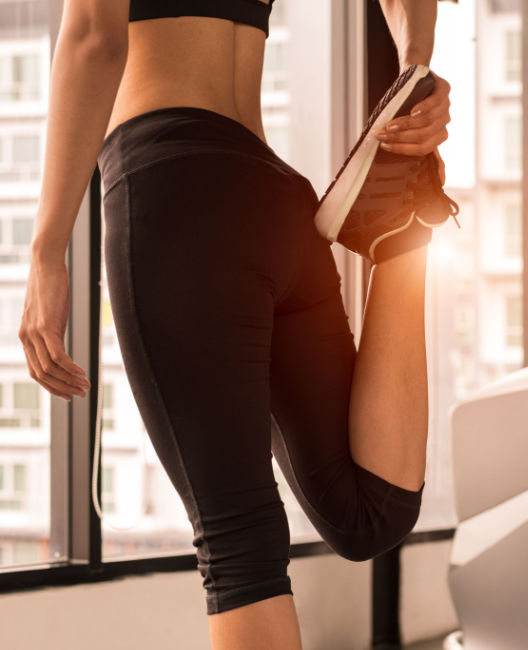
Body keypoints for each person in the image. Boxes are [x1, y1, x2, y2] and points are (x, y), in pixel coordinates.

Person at [18, 0, 452, 648]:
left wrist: (47, 251)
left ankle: (403, 229)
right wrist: (415, 68)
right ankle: (402, 234)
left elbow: (92, 38)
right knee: (369, 518)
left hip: (177, 189)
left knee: (238, 548)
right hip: (269, 193)